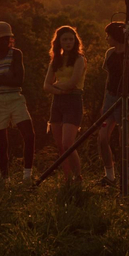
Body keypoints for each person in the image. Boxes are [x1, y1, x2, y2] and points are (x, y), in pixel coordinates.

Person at [0, 20, 36, 183]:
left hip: (15, 98)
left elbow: (19, 81)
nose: (4, 42)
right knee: (2, 142)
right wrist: (6, 77)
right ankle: (4, 175)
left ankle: (27, 174)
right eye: (0, 39)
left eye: (6, 38)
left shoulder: (16, 53)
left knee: (29, 135)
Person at [95, 20, 129, 186]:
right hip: (110, 99)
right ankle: (109, 176)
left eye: (109, 35)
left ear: (116, 36)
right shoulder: (109, 53)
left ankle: (126, 180)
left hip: (127, 99)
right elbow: (109, 79)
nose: (107, 38)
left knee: (125, 141)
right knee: (102, 138)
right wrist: (104, 104)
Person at [43, 25, 87, 184]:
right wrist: (59, 90)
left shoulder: (80, 59)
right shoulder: (56, 60)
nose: (68, 42)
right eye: (64, 39)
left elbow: (73, 83)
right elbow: (45, 85)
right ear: (59, 42)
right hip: (58, 102)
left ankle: (78, 177)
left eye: (71, 39)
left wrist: (56, 86)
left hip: (74, 101)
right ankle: (67, 179)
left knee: (68, 143)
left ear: (75, 41)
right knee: (60, 146)